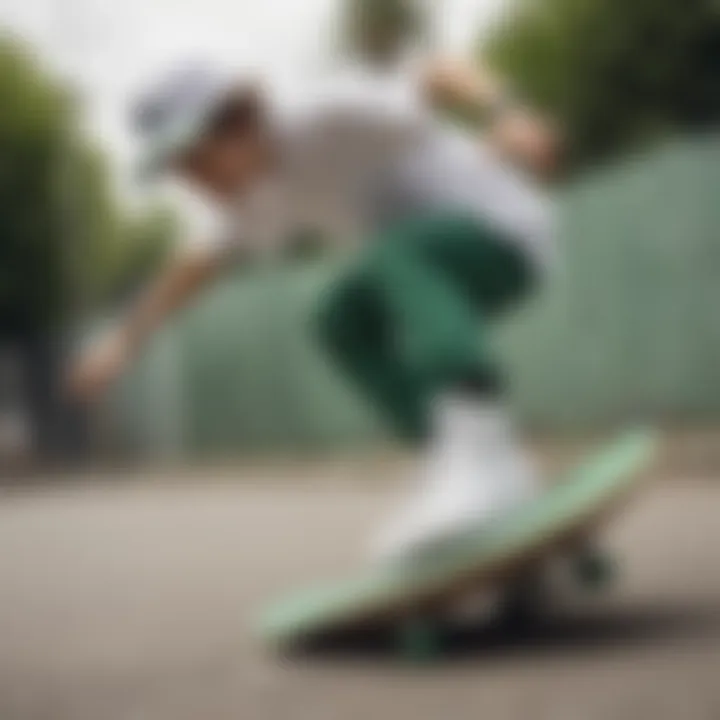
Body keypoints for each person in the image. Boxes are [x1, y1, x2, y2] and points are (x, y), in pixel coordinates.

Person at [68, 56, 559, 562]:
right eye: (178, 172)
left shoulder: (322, 111)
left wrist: (509, 112)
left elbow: (437, 72)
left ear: (237, 122)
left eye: (196, 161)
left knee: (393, 248)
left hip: (503, 234)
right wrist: (125, 341)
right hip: (427, 273)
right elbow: (196, 265)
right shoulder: (252, 198)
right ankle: (460, 461)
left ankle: (480, 448)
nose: (194, 182)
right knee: (338, 321)